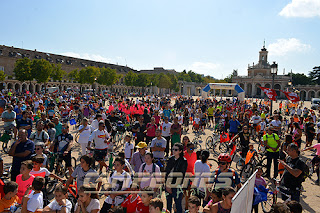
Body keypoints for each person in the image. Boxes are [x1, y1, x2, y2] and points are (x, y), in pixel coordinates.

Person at [165, 143, 188, 213]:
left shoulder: (184, 161)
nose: (173, 151)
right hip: (168, 184)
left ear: (180, 151)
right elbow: (167, 173)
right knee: (168, 205)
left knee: (178, 205)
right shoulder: (170, 159)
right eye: (173, 149)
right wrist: (167, 185)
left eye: (176, 149)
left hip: (177, 185)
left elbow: (181, 175)